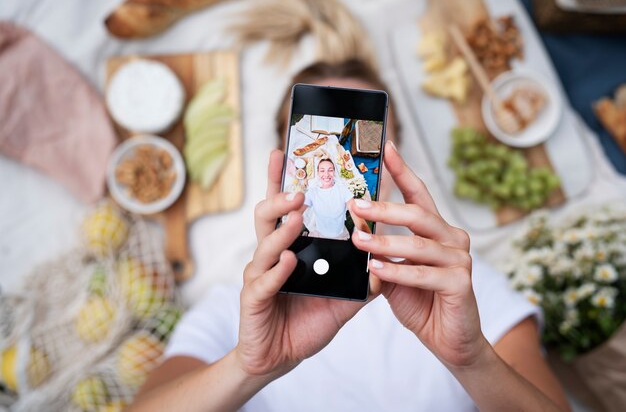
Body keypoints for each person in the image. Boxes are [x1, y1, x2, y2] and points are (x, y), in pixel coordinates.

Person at [127, 60, 570, 412]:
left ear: (392, 157)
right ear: (286, 166)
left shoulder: (462, 287)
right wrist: (248, 367)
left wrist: (472, 360)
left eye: (371, 135)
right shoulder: (234, 308)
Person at [302, 158, 355, 239]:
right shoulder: (312, 192)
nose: (326, 175)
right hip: (319, 235)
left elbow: (354, 210)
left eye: (330, 170)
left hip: (340, 235)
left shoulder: (342, 189)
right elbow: (299, 210)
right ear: (318, 173)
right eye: (322, 170)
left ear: (334, 171)